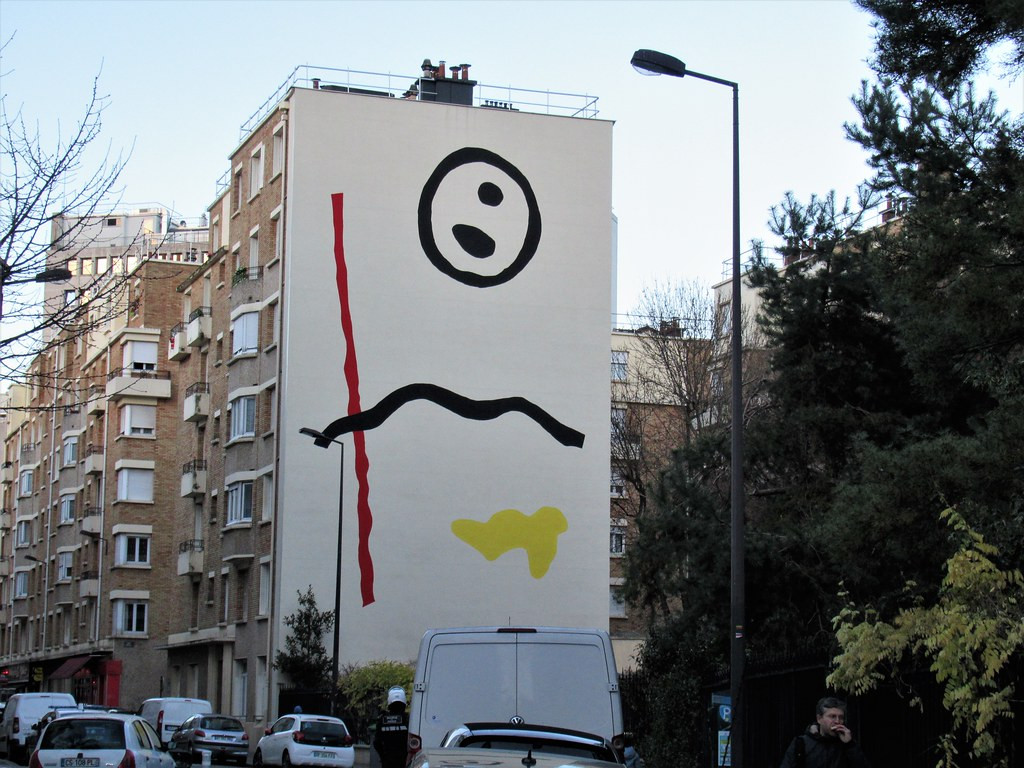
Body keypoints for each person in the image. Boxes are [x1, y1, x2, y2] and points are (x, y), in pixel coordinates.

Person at [779, 696, 871, 768]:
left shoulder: (846, 745)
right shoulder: (800, 743)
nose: (837, 721)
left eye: (841, 717)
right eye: (832, 716)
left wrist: (850, 745)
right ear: (819, 719)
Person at [373, 685, 409, 768]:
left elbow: (376, 743)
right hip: (405, 761)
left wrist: (383, 757)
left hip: (387, 762)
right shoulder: (408, 719)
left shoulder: (382, 719)